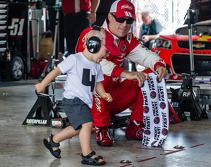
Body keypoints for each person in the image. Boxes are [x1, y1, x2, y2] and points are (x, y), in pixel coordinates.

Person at [76, 0, 168, 147]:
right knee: (99, 78)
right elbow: (94, 65)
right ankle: (101, 128)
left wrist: (159, 65)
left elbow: (144, 55)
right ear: (110, 17)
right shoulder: (92, 35)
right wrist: (124, 73)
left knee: (148, 76)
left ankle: (135, 125)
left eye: (129, 20)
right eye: (120, 19)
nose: (124, 24)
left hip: (112, 97)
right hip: (85, 100)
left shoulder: (128, 39)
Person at [35, 27, 119, 165]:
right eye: (106, 51)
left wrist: (103, 93)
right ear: (94, 45)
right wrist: (42, 84)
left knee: (77, 128)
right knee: (87, 124)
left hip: (84, 102)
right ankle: (87, 154)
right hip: (72, 100)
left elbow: (98, 83)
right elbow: (56, 72)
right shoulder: (75, 59)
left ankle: (53, 141)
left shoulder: (97, 66)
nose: (107, 55)